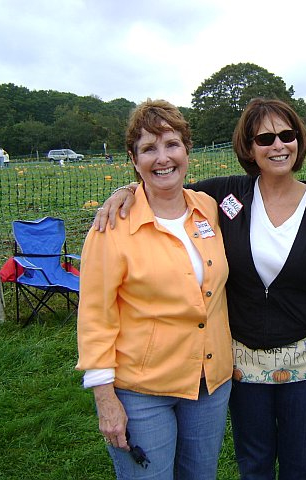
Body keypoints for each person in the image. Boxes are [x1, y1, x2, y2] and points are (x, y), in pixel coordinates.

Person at [95, 98, 306, 480]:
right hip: (242, 362)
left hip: (304, 360)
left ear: (299, 141)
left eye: (287, 135)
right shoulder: (227, 196)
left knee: (300, 464)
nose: (278, 145)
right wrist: (126, 191)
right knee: (254, 461)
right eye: (265, 138)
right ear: (249, 148)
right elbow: (164, 185)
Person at [76, 99, 233, 479]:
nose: (162, 158)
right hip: (142, 392)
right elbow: (96, 315)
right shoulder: (112, 227)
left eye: (171, 144)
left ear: (187, 150)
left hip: (208, 384)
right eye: (149, 148)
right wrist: (104, 397)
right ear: (134, 159)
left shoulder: (207, 207)